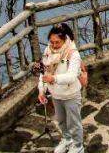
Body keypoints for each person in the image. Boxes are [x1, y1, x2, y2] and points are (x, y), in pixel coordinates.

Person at [37, 23, 83, 153]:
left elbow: (72, 77)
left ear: (65, 40)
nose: (54, 45)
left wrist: (54, 79)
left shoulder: (73, 54)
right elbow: (43, 73)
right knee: (61, 121)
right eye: (51, 42)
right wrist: (41, 90)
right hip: (56, 94)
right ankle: (67, 140)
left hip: (71, 95)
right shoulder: (47, 51)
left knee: (74, 124)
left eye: (57, 42)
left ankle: (78, 147)